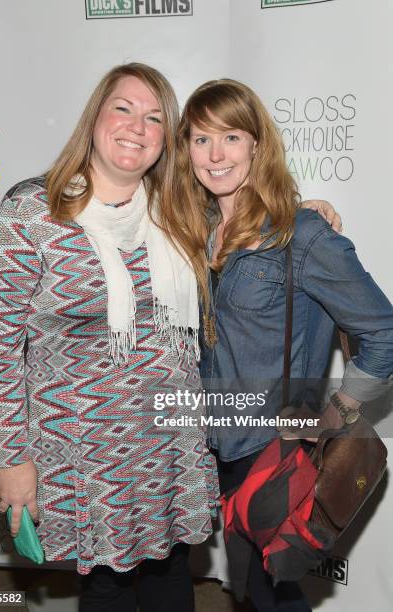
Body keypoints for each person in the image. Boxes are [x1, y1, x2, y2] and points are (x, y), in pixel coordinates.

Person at [0, 62, 339, 612]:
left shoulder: (174, 208)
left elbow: (243, 215)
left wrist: (301, 215)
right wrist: (12, 460)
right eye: (123, 108)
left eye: (154, 118)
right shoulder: (31, 212)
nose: (137, 126)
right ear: (95, 117)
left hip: (171, 441)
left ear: (164, 140)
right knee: (107, 587)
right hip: (83, 451)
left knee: (172, 576)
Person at [170, 78, 393, 612]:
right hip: (217, 444)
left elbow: (384, 331)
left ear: (256, 144)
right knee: (254, 589)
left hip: (277, 446)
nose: (216, 154)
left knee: (274, 595)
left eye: (231, 137)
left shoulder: (304, 235)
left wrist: (341, 408)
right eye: (201, 140)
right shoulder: (192, 229)